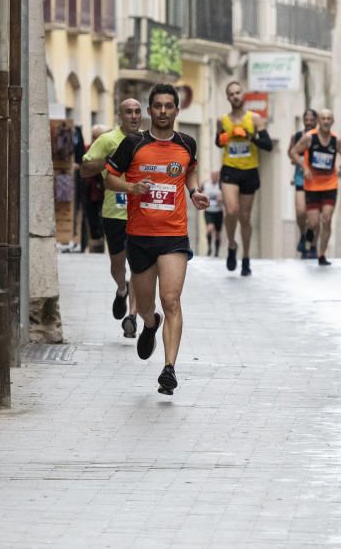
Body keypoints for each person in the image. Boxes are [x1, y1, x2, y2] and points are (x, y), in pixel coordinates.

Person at [104, 84, 209, 395]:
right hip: (139, 236)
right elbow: (110, 178)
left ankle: (169, 369)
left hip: (173, 235)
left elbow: (189, 172)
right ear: (150, 111)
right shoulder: (132, 145)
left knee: (172, 299)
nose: (163, 111)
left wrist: (194, 192)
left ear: (177, 110)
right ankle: (150, 324)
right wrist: (131, 188)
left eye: (169, 106)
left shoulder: (187, 144)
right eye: (158, 106)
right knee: (148, 305)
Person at [80, 100, 143, 337]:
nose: (134, 116)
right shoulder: (107, 140)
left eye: (137, 112)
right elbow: (85, 169)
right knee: (118, 264)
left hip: (141, 212)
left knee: (138, 265)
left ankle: (132, 316)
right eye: (129, 112)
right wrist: (111, 159)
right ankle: (120, 289)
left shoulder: (145, 140)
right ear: (120, 115)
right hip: (113, 213)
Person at [215, 81, 273, 275]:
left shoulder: (255, 119)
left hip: (250, 170)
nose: (235, 96)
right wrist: (221, 139)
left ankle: (246, 257)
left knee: (245, 217)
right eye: (231, 94)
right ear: (228, 98)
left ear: (244, 95)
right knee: (231, 210)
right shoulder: (222, 120)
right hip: (230, 169)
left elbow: (268, 145)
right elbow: (218, 141)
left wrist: (250, 136)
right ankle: (232, 245)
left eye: (238, 92)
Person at [289, 108, 341, 266]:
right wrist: (304, 167)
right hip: (312, 186)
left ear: (332, 121)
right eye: (323, 118)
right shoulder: (309, 138)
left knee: (327, 219)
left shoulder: (336, 140)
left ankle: (321, 255)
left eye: (329, 118)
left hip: (330, 184)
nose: (326, 121)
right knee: (314, 223)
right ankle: (309, 236)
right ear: (319, 121)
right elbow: (294, 152)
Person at [289, 109, 318, 258]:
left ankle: (312, 246)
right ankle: (302, 234)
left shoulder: (321, 137)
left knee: (314, 217)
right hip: (301, 178)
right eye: (306, 119)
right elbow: (291, 154)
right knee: (301, 211)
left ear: (316, 121)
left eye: (311, 119)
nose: (308, 122)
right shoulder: (297, 136)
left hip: (318, 180)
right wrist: (302, 165)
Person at [79, 124, 109, 252]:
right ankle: (94, 247)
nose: (95, 139)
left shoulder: (109, 149)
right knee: (91, 219)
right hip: (90, 190)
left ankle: (103, 245)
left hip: (106, 191)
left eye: (98, 137)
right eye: (94, 137)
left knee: (105, 220)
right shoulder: (87, 149)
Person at [202, 170, 224, 257]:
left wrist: (222, 199)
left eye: (216, 176)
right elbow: (198, 191)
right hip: (209, 211)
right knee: (210, 229)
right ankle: (209, 248)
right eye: (213, 175)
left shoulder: (221, 185)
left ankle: (216, 252)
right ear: (211, 176)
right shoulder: (206, 184)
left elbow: (226, 197)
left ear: (218, 176)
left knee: (218, 233)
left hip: (218, 211)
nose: (214, 177)